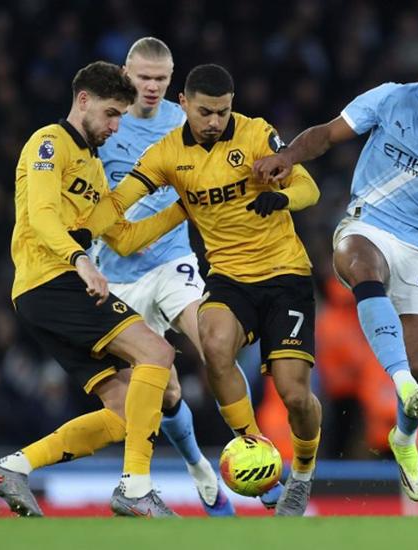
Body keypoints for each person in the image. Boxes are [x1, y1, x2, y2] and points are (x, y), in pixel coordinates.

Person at [254, 31, 418, 501]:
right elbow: (327, 133)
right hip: (368, 223)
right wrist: (287, 156)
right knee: (361, 267)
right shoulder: (391, 98)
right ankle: (403, 384)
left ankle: (404, 438)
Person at [81, 64, 323, 516]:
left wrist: (282, 196)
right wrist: (81, 231)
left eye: (223, 111)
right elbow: (119, 203)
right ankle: (255, 448)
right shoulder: (168, 154)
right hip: (229, 277)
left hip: (285, 273)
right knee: (213, 345)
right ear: (184, 105)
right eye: (206, 112)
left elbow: (308, 185)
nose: (215, 122)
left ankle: (304, 473)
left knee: (294, 394)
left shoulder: (254, 135)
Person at [0, 61, 186, 517]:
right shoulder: (48, 144)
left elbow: (125, 237)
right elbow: (42, 215)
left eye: (121, 118)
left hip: (56, 291)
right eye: (112, 114)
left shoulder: (93, 170)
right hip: (51, 280)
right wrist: (80, 261)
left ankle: (14, 467)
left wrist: (184, 207)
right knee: (158, 354)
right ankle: (135, 489)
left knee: (125, 413)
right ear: (84, 100)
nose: (115, 127)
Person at [88, 36, 264, 516]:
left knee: (216, 346)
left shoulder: (185, 122)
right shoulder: (105, 123)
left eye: (160, 80)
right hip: (118, 276)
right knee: (166, 391)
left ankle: (254, 449)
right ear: (125, 73)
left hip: (172, 261)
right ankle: (199, 469)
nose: (150, 88)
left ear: (173, 84)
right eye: (142, 78)